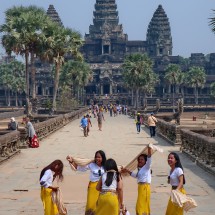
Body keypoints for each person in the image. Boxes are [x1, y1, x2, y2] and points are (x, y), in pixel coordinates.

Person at [66, 150, 106, 215]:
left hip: (103, 188)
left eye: (99, 157)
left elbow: (114, 170)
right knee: (91, 205)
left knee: (101, 205)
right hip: (93, 187)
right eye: (96, 157)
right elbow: (79, 168)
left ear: (103, 158)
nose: (97, 159)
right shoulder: (91, 165)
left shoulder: (106, 166)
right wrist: (71, 161)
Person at [122, 144, 152, 215]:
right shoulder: (141, 169)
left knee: (141, 205)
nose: (140, 161)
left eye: (142, 159)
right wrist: (127, 171)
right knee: (140, 205)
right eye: (139, 160)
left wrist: (149, 149)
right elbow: (136, 176)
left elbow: (149, 158)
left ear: (145, 161)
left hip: (145, 188)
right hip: (141, 188)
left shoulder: (147, 167)